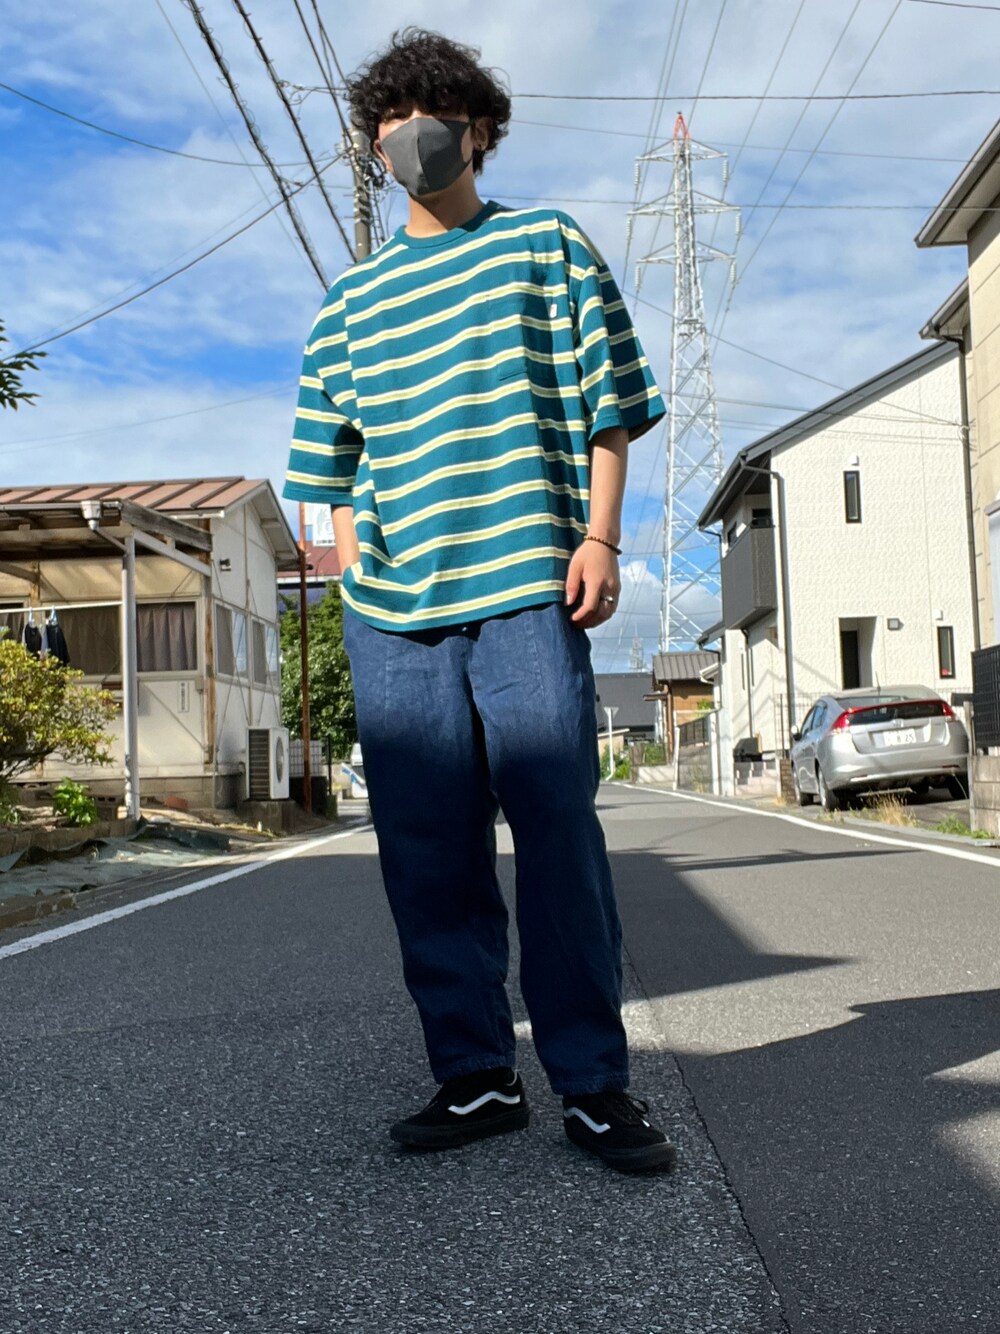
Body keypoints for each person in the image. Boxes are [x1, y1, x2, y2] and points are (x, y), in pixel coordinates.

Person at [283, 28, 676, 1174]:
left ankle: (592, 1083)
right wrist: (352, 565)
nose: (412, 134)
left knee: (557, 828)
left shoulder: (543, 245)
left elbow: (607, 401)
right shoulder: (349, 301)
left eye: (435, 114)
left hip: (525, 588)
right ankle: (474, 1075)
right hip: (392, 614)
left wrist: (599, 535)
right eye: (390, 119)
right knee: (426, 848)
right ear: (372, 146)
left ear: (481, 131)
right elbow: (325, 463)